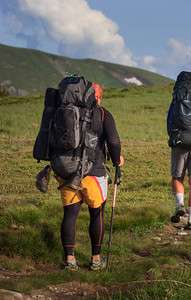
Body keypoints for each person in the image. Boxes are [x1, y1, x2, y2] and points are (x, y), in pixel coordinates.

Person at [57, 82, 124, 271]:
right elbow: (113, 140)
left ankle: (70, 260)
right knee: (97, 214)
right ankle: (96, 260)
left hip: (66, 170)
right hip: (93, 173)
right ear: (98, 96)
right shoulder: (102, 114)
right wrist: (117, 160)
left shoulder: (64, 112)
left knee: (70, 215)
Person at [167, 102, 191, 230]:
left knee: (177, 177)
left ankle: (180, 204)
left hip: (179, 141)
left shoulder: (177, 100)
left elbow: (169, 121)